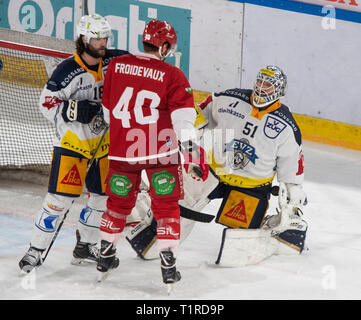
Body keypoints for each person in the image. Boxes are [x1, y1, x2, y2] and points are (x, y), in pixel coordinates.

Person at [126, 65, 308, 267]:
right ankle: (143, 203)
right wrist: (188, 136)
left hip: (251, 186)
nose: (261, 88)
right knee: (151, 244)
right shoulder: (228, 99)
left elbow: (292, 167)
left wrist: (293, 198)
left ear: (279, 91)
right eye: (260, 81)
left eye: (268, 85)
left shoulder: (287, 127)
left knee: (236, 254)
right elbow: (194, 115)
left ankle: (274, 227)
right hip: (213, 171)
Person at [97, 19, 208, 287]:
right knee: (166, 206)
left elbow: (108, 112)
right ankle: (168, 264)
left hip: (123, 151)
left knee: (117, 204)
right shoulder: (172, 75)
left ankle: (105, 255)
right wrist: (193, 156)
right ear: (164, 45)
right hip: (160, 152)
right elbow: (183, 121)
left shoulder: (115, 67)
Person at [19, 14, 130, 273]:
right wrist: (74, 110)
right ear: (82, 39)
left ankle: (85, 246)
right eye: (97, 38)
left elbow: (141, 68)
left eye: (105, 38)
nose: (102, 43)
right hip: (74, 143)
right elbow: (46, 105)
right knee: (59, 200)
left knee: (102, 197)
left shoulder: (116, 59)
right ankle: (35, 249)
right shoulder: (66, 70)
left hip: (104, 143)